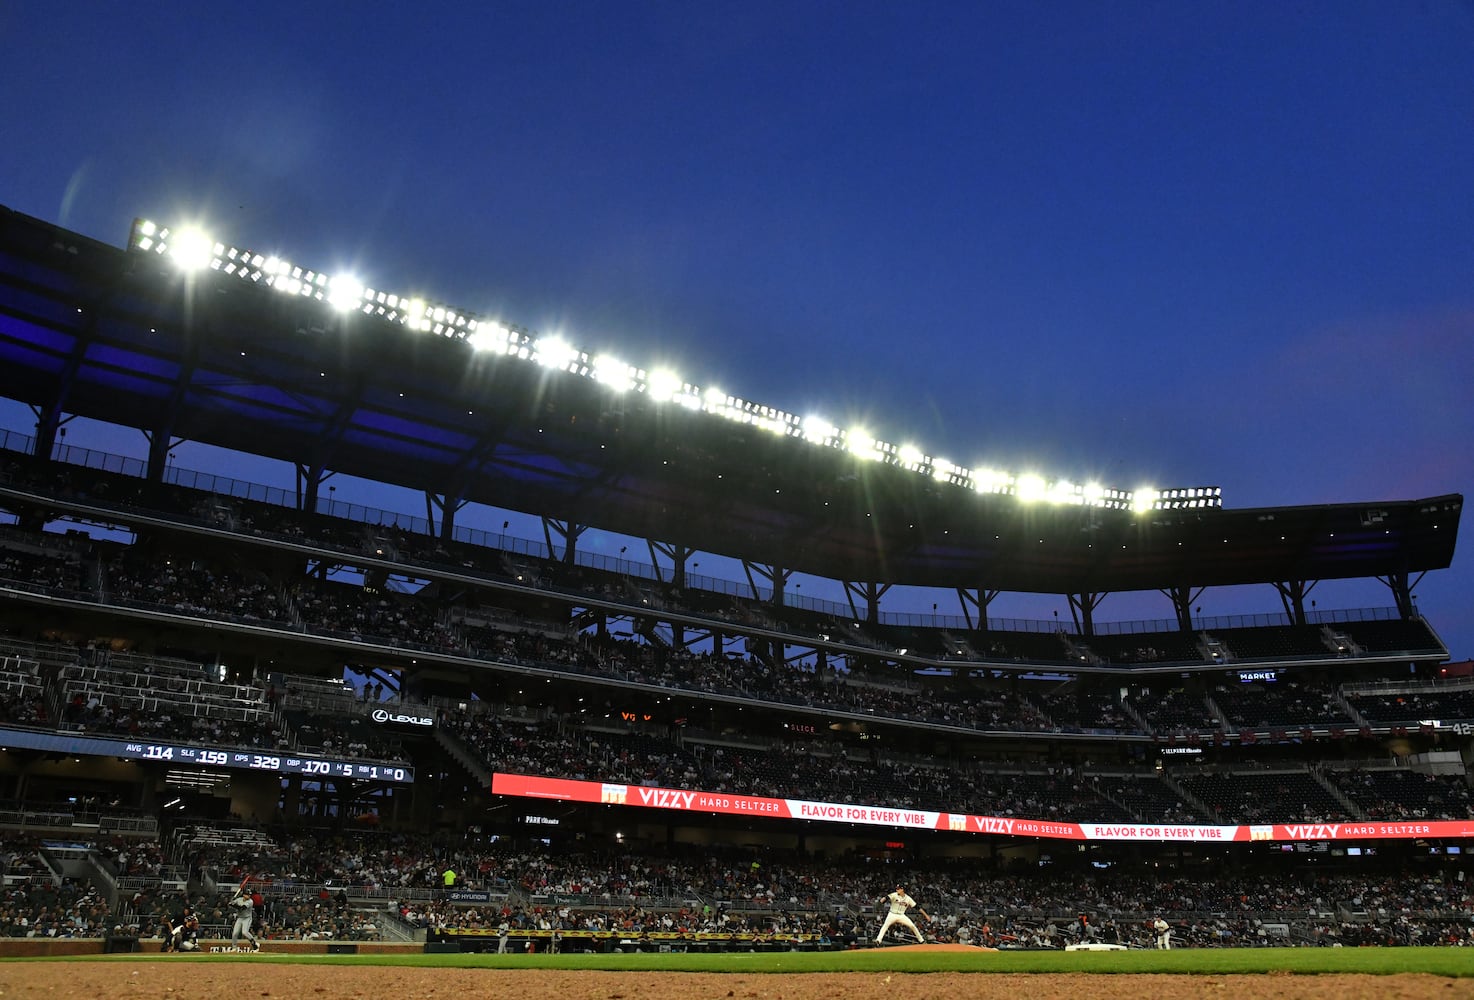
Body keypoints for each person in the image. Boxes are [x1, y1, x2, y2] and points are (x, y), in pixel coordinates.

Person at [230, 885, 261, 952]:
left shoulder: (250, 901)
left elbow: (242, 908)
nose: (249, 896)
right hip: (240, 918)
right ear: (244, 895)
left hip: (247, 918)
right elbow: (232, 903)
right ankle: (234, 947)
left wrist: (233, 905)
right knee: (235, 933)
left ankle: (254, 944)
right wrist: (231, 902)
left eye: (249, 895)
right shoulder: (239, 900)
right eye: (247, 895)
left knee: (244, 932)